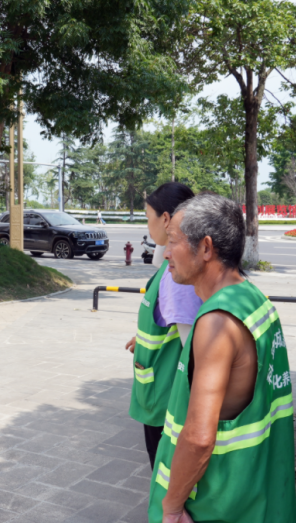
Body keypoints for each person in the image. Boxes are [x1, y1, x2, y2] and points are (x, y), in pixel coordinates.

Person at [149, 194, 296, 523]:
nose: (167, 253)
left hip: (213, 503)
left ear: (205, 248)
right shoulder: (251, 297)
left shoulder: (216, 321)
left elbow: (199, 438)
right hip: (252, 491)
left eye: (173, 241)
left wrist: (172, 507)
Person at [124, 182, 199, 467]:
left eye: (148, 217)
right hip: (158, 389)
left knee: (165, 472)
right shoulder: (168, 267)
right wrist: (144, 339)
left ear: (166, 219)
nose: (147, 225)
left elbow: (193, 349)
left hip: (168, 396)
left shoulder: (177, 278)